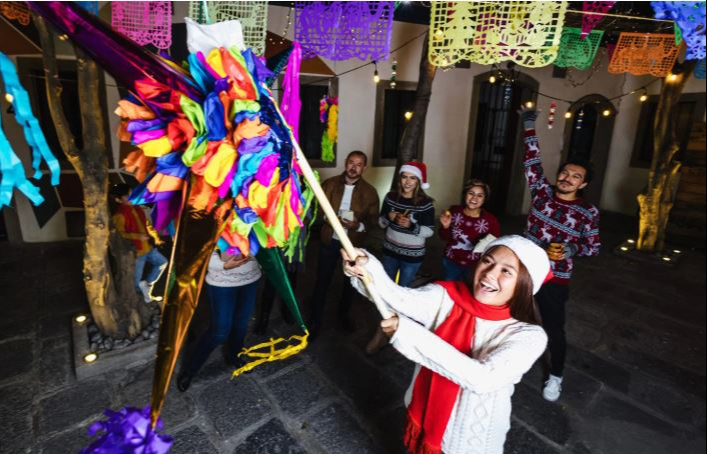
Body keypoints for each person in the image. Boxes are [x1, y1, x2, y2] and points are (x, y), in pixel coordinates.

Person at [342, 235, 551, 454]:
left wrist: (410, 334)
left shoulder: (529, 336)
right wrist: (367, 269)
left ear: (526, 284)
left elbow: (484, 379)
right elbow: (399, 299)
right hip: (422, 410)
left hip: (469, 440)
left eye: (506, 271)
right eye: (488, 261)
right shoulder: (447, 296)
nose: (490, 274)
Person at [520, 107, 600, 402]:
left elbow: (593, 247)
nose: (567, 178)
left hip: (556, 276)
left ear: (584, 183)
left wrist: (571, 248)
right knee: (510, 315)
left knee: (553, 326)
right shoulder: (541, 191)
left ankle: (555, 376)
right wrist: (529, 125)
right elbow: (532, 160)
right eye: (565, 172)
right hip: (525, 267)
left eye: (575, 176)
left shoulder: (587, 212)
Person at [307, 150, 380, 339]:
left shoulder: (370, 192)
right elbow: (316, 209)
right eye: (351, 163)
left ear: (364, 168)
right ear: (345, 163)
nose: (353, 167)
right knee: (322, 281)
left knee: (350, 284)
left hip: (353, 246)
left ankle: (343, 315)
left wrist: (358, 225)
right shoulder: (329, 184)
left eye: (358, 164)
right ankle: (314, 320)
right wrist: (329, 219)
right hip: (329, 241)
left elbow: (373, 222)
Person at [365, 161, 435, 354]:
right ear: (400, 178)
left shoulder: (425, 203)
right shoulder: (390, 197)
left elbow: (429, 231)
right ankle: (380, 333)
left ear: (419, 181)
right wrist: (390, 218)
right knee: (384, 292)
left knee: (402, 295)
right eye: (404, 177)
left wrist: (411, 226)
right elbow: (381, 223)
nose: (407, 182)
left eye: (412, 178)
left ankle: (399, 333)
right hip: (390, 251)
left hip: (412, 256)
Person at [177, 247, 261, 391]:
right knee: (219, 332)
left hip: (251, 278)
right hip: (221, 282)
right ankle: (189, 370)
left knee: (241, 324)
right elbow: (199, 247)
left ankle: (234, 356)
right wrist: (221, 265)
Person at [110, 183, 168, 303]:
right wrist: (137, 236)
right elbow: (120, 234)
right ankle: (142, 300)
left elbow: (147, 225)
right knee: (135, 282)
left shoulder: (137, 208)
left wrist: (156, 238)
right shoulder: (119, 215)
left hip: (148, 247)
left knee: (162, 263)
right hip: (137, 252)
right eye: (128, 195)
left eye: (132, 194)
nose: (132, 197)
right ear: (118, 199)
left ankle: (147, 286)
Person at [438, 179, 500, 281]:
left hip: (474, 266)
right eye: (471, 193)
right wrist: (445, 226)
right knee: (449, 290)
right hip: (451, 261)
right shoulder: (454, 211)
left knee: (468, 292)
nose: (474, 198)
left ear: (484, 199)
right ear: (465, 195)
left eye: (480, 195)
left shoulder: (491, 221)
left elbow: (493, 247)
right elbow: (443, 237)